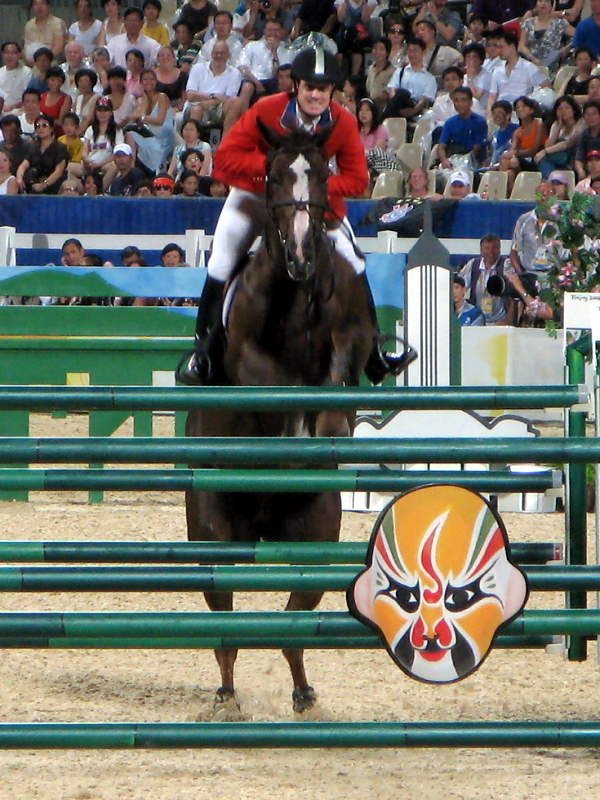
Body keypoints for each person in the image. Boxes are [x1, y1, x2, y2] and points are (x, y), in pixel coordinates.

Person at [177, 47, 409, 387]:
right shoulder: (267, 109)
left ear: (332, 91)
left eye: (323, 88)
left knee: (354, 259)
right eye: (309, 87)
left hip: (313, 203)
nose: (316, 94)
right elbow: (225, 160)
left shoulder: (342, 122)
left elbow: (358, 181)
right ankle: (204, 353)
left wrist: (311, 185)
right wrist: (276, 172)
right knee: (222, 259)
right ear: (296, 86)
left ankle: (374, 352)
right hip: (256, 195)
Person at [486, 31, 551, 116]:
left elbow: (547, 87)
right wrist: (489, 115)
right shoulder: (497, 70)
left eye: (501, 47)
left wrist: (531, 99)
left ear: (512, 46)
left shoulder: (529, 68)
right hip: (501, 113)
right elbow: (492, 97)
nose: (498, 51)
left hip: (521, 112)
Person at [185, 42, 243, 134]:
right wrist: (213, 96)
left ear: (229, 55)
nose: (219, 56)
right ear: (211, 54)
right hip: (197, 105)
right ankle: (194, 145)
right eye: (216, 53)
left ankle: (226, 143)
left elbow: (228, 98)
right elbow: (190, 95)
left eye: (222, 53)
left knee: (236, 101)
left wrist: (212, 102)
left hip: (219, 107)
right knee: (197, 110)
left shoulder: (235, 73)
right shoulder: (197, 68)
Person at [459, 233, 515, 325]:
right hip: (476, 321)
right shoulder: (473, 265)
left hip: (500, 321)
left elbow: (514, 296)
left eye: (494, 247)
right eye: (487, 248)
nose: (491, 251)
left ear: (500, 250)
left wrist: (508, 321)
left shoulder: (506, 265)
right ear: (481, 250)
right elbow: (459, 288)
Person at [237, 19, 291, 108]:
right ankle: (245, 119)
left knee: (282, 83)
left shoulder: (287, 50)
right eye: (269, 30)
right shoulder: (252, 46)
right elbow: (242, 67)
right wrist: (257, 83)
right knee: (247, 86)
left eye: (276, 30)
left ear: (281, 32)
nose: (272, 33)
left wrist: (274, 52)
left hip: (273, 82)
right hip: (253, 80)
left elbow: (279, 74)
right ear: (264, 31)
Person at [498, 96, 547, 192]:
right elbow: (512, 150)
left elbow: (534, 149)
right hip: (524, 161)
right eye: (517, 107)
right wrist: (507, 156)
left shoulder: (539, 124)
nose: (520, 109)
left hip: (537, 159)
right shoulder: (518, 131)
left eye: (523, 106)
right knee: (509, 171)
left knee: (511, 161)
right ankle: (510, 196)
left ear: (532, 110)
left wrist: (515, 154)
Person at [383, 37, 437, 120]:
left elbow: (424, 100)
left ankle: (382, 119)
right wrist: (395, 103)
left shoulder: (429, 78)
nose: (412, 54)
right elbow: (392, 89)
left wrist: (413, 111)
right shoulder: (400, 71)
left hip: (414, 107)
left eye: (415, 51)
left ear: (423, 52)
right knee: (402, 94)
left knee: (404, 93)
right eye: (410, 51)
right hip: (398, 106)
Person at [15, 113, 68, 193]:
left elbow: (59, 171)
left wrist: (44, 184)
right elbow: (24, 165)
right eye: (38, 126)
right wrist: (19, 178)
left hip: (54, 185)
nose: (41, 128)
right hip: (35, 184)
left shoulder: (60, 147)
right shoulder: (34, 146)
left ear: (52, 128)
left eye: (44, 125)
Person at [437, 86, 488, 169]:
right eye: (456, 100)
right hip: (454, 159)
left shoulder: (480, 122)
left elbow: (477, 148)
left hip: (473, 162)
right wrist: (444, 161)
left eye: (463, 100)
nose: (459, 103)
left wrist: (463, 162)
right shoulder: (450, 122)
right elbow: (441, 146)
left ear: (470, 103)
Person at [534, 96, 584, 178]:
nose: (563, 111)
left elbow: (568, 143)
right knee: (542, 160)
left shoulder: (581, 123)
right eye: (560, 109)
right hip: (557, 157)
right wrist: (560, 125)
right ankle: (552, 181)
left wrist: (545, 151)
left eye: (567, 108)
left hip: (572, 157)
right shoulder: (556, 124)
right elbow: (548, 145)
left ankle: (552, 181)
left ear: (573, 110)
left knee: (543, 157)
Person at [81, 95, 123, 186]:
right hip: (90, 163)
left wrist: (99, 164)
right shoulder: (91, 129)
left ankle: (100, 190)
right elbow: (84, 151)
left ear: (111, 112)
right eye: (99, 110)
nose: (102, 113)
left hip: (105, 164)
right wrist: (87, 160)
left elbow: (116, 153)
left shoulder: (117, 130)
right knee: (68, 167)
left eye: (106, 110)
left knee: (115, 166)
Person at [519, 0, 573, 69]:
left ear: (552, 6)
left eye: (547, 1)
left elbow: (578, 35)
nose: (543, 4)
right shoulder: (528, 23)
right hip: (531, 66)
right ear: (536, 5)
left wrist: (566, 48)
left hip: (552, 67)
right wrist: (532, 58)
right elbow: (522, 45)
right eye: (540, 1)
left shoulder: (559, 23)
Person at [23, 0, 67, 66]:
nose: (39, 7)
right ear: (32, 8)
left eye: (42, 4)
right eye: (36, 4)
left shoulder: (57, 23)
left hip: (52, 60)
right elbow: (26, 46)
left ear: (49, 6)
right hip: (33, 61)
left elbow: (59, 47)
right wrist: (29, 60)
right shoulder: (29, 25)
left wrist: (43, 60)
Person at [0, 43, 33, 114]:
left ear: (19, 54)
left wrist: (12, 106)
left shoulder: (26, 72)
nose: (9, 56)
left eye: (13, 53)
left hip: (19, 109)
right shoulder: (0, 71)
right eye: (7, 52)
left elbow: (28, 96)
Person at [366, 37, 396, 112]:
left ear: (387, 52)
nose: (377, 52)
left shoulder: (393, 71)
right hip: (371, 110)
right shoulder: (370, 69)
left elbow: (387, 94)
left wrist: (371, 102)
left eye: (381, 49)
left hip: (385, 110)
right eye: (375, 48)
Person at [40, 66, 72, 135]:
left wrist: (44, 120)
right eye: (52, 80)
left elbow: (61, 122)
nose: (56, 83)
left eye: (59, 81)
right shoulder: (41, 96)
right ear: (47, 80)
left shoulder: (66, 98)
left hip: (57, 135)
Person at [154, 46, 187, 111]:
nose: (165, 57)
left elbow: (184, 98)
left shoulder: (182, 75)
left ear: (173, 58)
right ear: (158, 58)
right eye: (162, 55)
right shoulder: (152, 74)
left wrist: (176, 109)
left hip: (177, 109)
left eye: (168, 55)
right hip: (157, 107)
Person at [488, 100, 518, 167]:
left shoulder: (517, 130)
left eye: (500, 113)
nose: (496, 116)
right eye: (494, 113)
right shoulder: (495, 134)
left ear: (508, 114)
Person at [574, 101, 600, 180]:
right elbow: (578, 159)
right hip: (589, 169)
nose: (590, 117)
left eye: (594, 113)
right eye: (587, 114)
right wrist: (580, 171)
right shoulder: (584, 135)